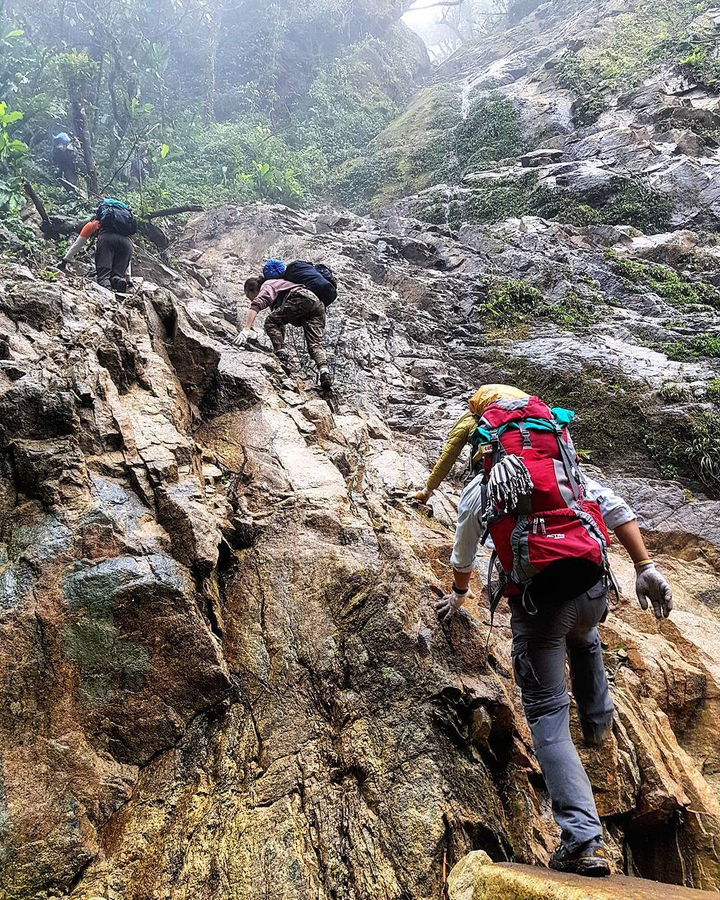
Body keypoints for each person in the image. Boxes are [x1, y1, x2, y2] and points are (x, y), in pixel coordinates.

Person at [438, 389, 673, 878]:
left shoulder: (485, 486)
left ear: (486, 438)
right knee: (584, 634)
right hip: (592, 591)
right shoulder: (566, 470)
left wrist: (460, 593)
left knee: (546, 716)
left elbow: (463, 550)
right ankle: (598, 717)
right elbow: (616, 508)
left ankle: (582, 840)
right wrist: (645, 566)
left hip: (540, 607)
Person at [411, 384, 528, 502]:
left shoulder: (468, 423)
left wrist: (428, 489)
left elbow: (447, 458)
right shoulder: (530, 424)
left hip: (493, 472)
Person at [235, 275, 333, 389]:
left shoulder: (267, 285)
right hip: (317, 304)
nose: (250, 299)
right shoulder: (279, 290)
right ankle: (324, 373)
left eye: (249, 295)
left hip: (301, 297)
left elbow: (256, 305)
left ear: (254, 289)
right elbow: (279, 325)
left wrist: (246, 329)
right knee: (315, 344)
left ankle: (281, 355)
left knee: (269, 321)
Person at [58, 198, 137, 293]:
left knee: (103, 275)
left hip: (107, 240)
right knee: (116, 275)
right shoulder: (125, 231)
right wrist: (128, 278)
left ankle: (106, 288)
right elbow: (128, 259)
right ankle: (118, 280)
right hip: (127, 245)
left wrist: (64, 261)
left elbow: (77, 244)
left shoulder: (94, 224)